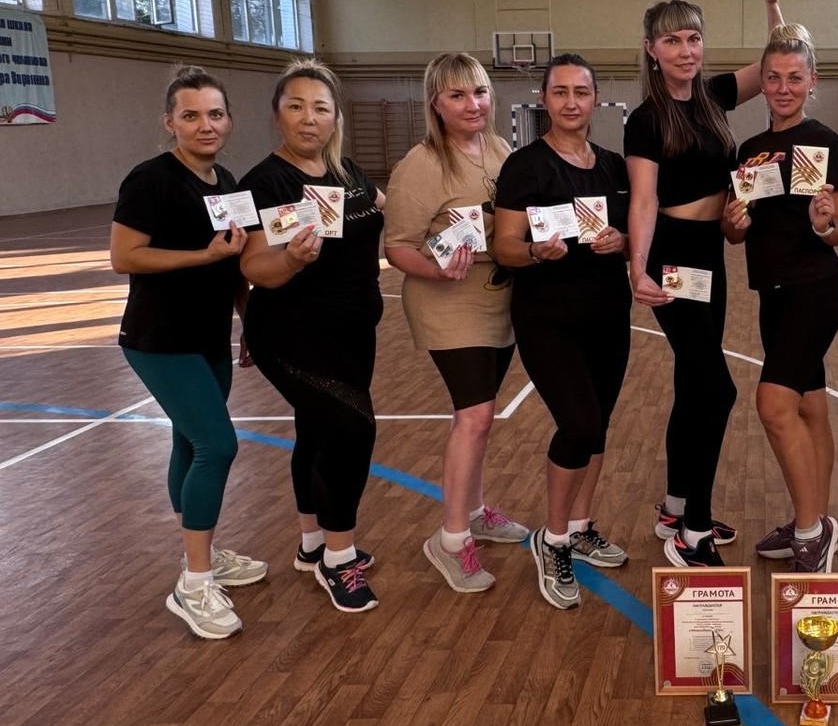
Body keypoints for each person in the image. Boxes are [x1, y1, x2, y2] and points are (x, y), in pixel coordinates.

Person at [626, 0, 784, 567]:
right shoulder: (645, 119)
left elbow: (774, 62)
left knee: (694, 382)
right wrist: (637, 269)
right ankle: (692, 531)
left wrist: (772, 2)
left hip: (709, 257)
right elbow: (643, 201)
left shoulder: (714, 96)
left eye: (693, 38)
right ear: (652, 49)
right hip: (672, 257)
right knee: (716, 388)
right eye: (672, 41)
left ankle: (674, 504)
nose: (685, 50)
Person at [110, 66, 266, 640]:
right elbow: (124, 257)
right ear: (169, 122)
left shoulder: (228, 182)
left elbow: (235, 263)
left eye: (216, 114)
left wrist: (249, 320)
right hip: (159, 341)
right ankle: (194, 583)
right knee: (217, 445)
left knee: (188, 442)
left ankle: (199, 551)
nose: (206, 125)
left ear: (229, 120)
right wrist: (201, 256)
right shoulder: (150, 179)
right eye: (191, 115)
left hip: (208, 339)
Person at [238, 59, 384, 613]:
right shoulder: (265, 182)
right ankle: (339, 559)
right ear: (277, 114)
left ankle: (311, 543)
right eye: (296, 106)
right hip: (292, 334)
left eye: (320, 108)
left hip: (353, 331)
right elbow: (255, 266)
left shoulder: (347, 173)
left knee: (317, 430)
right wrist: (293, 260)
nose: (309, 118)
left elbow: (384, 209)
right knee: (351, 431)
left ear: (335, 117)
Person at [384, 52, 530, 594]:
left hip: (497, 298)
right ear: (436, 104)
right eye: (458, 95)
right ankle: (450, 540)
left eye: (480, 92)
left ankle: (474, 510)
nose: (473, 104)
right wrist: (437, 270)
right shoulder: (420, 165)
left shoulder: (501, 150)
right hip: (448, 302)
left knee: (479, 417)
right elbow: (398, 247)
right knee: (475, 415)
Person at [493, 54, 632, 609]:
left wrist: (622, 242)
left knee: (598, 427)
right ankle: (551, 540)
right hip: (548, 318)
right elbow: (503, 246)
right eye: (560, 92)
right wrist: (533, 251)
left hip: (608, 314)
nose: (571, 102)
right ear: (544, 99)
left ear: (595, 99)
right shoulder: (525, 166)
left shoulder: (614, 167)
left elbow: (632, 234)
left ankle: (579, 527)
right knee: (578, 424)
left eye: (581, 92)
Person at [723, 28, 838, 573]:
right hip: (772, 294)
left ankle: (810, 532)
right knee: (809, 406)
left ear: (811, 81)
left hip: (816, 289)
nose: (782, 87)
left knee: (774, 405)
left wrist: (823, 223)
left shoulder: (826, 144)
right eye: (773, 78)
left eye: (794, 78)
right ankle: (817, 518)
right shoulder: (749, 151)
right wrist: (735, 220)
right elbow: (736, 234)